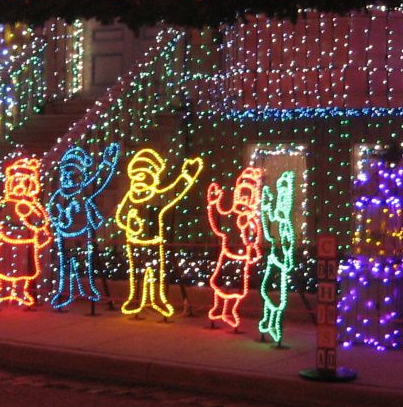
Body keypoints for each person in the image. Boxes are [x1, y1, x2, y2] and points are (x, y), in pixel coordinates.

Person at [113, 147, 202, 319]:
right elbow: (121, 217)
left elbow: (175, 191)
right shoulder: (130, 197)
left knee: (155, 273)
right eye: (135, 176)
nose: (138, 179)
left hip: (154, 242)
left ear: (152, 177)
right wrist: (129, 222)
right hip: (134, 242)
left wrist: (187, 175)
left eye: (142, 175)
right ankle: (135, 300)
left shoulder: (156, 196)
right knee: (136, 274)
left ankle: (157, 301)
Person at [0, 157, 51, 307]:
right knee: (3, 265)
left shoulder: (32, 205)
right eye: (16, 182)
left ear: (30, 184)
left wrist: (29, 215)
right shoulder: (6, 203)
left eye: (24, 182)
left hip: (25, 241)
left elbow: (41, 222)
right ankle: (3, 289)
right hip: (6, 239)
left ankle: (21, 291)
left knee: (23, 268)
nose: (20, 186)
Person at [48, 142, 120, 309]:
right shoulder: (59, 195)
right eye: (65, 173)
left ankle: (88, 290)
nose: (68, 178)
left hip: (82, 232)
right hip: (64, 234)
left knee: (86, 261)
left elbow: (100, 179)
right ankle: (65, 292)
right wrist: (58, 218)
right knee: (65, 264)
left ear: (80, 175)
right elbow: (52, 211)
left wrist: (107, 162)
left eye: (72, 175)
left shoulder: (83, 190)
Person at [206, 166, 264, 329]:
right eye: (242, 194)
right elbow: (219, 225)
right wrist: (213, 203)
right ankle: (218, 308)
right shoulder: (231, 215)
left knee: (237, 289)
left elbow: (254, 239)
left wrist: (254, 249)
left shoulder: (252, 221)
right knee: (220, 283)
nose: (244, 199)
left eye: (248, 196)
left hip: (241, 258)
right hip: (227, 255)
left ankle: (230, 311)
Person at [258, 171, 296, 346]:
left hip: (279, 263)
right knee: (266, 290)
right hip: (274, 260)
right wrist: (266, 206)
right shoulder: (277, 220)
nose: (281, 200)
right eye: (281, 195)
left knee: (278, 300)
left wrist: (285, 260)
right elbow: (268, 232)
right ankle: (268, 321)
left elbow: (287, 247)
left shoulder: (285, 225)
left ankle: (272, 324)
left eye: (284, 196)